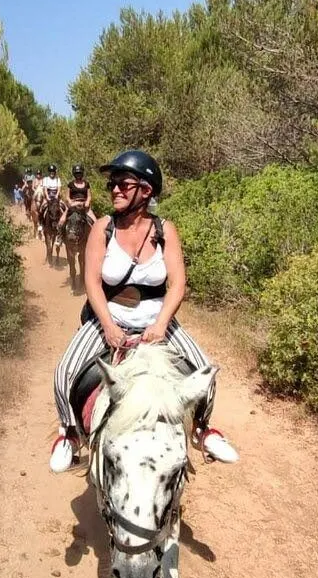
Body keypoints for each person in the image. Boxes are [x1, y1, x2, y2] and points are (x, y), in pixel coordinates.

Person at [50, 149, 239, 472]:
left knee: (205, 370)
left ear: (146, 190)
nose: (114, 190)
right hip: (109, 317)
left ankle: (202, 428)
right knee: (64, 371)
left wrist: (161, 325)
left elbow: (178, 284)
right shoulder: (103, 228)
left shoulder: (166, 231)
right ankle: (69, 433)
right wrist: (108, 326)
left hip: (156, 320)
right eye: (112, 185)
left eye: (123, 184)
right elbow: (93, 282)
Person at [55, 164, 96, 245]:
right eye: (77, 173)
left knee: (96, 223)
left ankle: (95, 241)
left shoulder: (86, 184)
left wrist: (87, 202)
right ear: (74, 174)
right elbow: (67, 197)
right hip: (73, 206)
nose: (78, 175)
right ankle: (59, 237)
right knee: (61, 221)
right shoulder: (70, 184)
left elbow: (89, 196)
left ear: (82, 174)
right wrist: (71, 203)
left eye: (80, 173)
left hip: (84, 206)